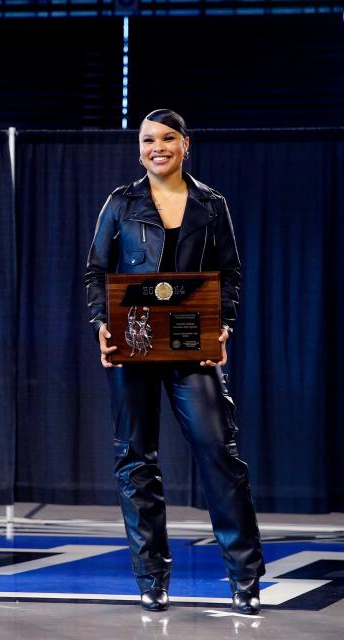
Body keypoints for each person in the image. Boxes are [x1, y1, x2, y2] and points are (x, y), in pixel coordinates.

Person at [84, 109, 264, 614]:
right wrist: (102, 323)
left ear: (187, 144)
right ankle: (151, 578)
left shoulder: (212, 204)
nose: (156, 147)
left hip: (193, 346)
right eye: (147, 139)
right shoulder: (120, 202)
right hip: (133, 345)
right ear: (138, 147)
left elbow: (229, 273)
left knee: (219, 455)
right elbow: (96, 271)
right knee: (136, 460)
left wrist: (223, 323)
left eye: (167, 138)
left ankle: (245, 580)